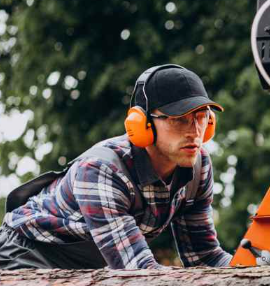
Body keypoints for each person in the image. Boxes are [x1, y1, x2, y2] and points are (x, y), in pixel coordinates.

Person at [0, 64, 233, 270]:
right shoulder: (101, 169)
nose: (194, 131)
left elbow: (205, 257)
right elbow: (139, 272)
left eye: (201, 118)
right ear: (142, 123)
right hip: (27, 255)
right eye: (180, 119)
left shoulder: (197, 166)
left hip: (87, 269)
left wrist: (258, 270)